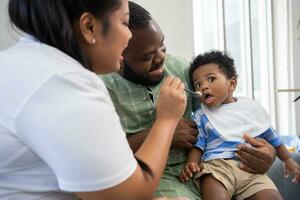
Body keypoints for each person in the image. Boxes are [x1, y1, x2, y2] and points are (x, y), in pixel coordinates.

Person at [0, 0, 188, 200]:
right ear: (89, 27)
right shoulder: (66, 84)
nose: (129, 36)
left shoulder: (20, 61)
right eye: (125, 23)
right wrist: (167, 120)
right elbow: (131, 195)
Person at [100, 1, 277, 199]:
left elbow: (222, 112)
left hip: (201, 171)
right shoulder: (100, 87)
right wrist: (163, 132)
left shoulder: (180, 69)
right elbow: (101, 158)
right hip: (148, 180)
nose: (160, 59)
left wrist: (268, 152)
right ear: (120, 56)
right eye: (146, 57)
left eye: (162, 46)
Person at [179, 51, 300, 200]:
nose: (203, 87)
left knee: (272, 197)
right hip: (217, 168)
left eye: (211, 79)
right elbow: (198, 144)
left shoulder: (249, 109)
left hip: (251, 170)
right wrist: (191, 163)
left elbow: (272, 137)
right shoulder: (202, 115)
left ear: (232, 83)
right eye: (198, 84)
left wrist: (288, 160)